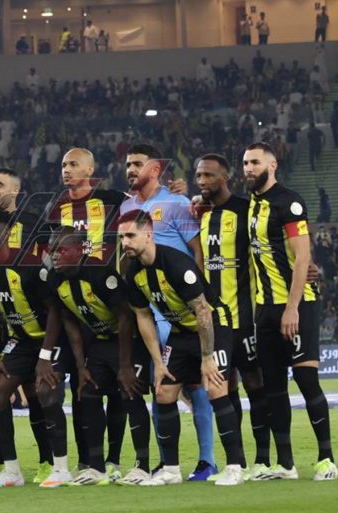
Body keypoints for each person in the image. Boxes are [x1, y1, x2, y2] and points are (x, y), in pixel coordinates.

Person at [117, 210, 247, 486]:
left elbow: (203, 311)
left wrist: (207, 357)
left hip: (214, 326)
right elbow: (143, 316)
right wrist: (158, 362)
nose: (124, 242)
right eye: (121, 237)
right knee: (163, 392)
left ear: (148, 234)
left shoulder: (176, 264)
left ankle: (235, 467)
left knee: (215, 388)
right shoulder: (132, 272)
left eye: (130, 235)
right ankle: (171, 470)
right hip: (180, 333)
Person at [119, 144, 218, 481]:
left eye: (137, 163)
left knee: (192, 384)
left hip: (181, 306)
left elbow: (197, 250)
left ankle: (206, 459)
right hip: (149, 307)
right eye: (128, 164)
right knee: (160, 384)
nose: (131, 169)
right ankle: (167, 463)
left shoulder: (177, 202)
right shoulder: (126, 206)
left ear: (155, 169)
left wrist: (201, 293)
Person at [243, 142, 337, 481]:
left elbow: (302, 258)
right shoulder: (248, 205)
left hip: (298, 306)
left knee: (306, 379)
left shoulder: (289, 202)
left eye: (255, 162)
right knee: (273, 388)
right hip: (264, 309)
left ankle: (326, 459)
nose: (249, 168)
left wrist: (292, 308)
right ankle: (285, 464)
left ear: (273, 165)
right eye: (245, 163)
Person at [0, 208, 79, 488]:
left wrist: (45, 357)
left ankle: (61, 468)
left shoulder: (31, 265)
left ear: (8, 233)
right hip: (20, 343)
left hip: (52, 340)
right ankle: (12, 472)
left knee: (46, 392)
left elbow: (55, 310)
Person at [47, 227, 152, 486]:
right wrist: (80, 365)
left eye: (61, 250)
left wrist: (125, 365)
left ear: (80, 250)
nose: (55, 256)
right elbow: (70, 322)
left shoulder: (100, 272)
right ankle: (96, 468)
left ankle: (142, 467)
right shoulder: (55, 279)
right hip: (100, 341)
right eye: (52, 251)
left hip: (129, 341)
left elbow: (126, 316)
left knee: (130, 394)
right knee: (88, 394)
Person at [194, 153, 274, 478]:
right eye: (199, 176)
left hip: (248, 317)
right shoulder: (199, 214)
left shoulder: (246, 209)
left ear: (224, 178)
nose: (202, 181)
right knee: (223, 389)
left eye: (208, 175)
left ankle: (263, 460)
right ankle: (236, 462)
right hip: (216, 321)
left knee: (256, 385)